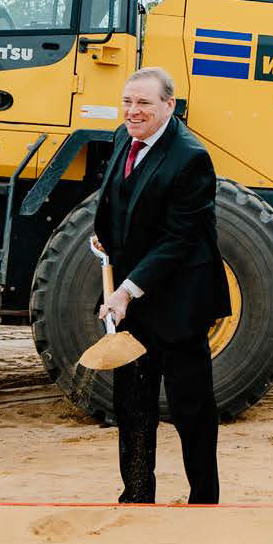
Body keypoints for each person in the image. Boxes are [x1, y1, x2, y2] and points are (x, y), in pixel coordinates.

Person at [94, 67, 231, 504]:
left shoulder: (191, 158)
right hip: (132, 302)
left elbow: (179, 239)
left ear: (169, 106)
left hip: (180, 304)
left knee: (191, 409)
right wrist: (105, 236)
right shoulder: (123, 137)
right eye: (128, 102)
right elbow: (118, 198)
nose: (133, 112)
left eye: (144, 104)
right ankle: (136, 494)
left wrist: (127, 290)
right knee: (132, 404)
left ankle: (204, 498)